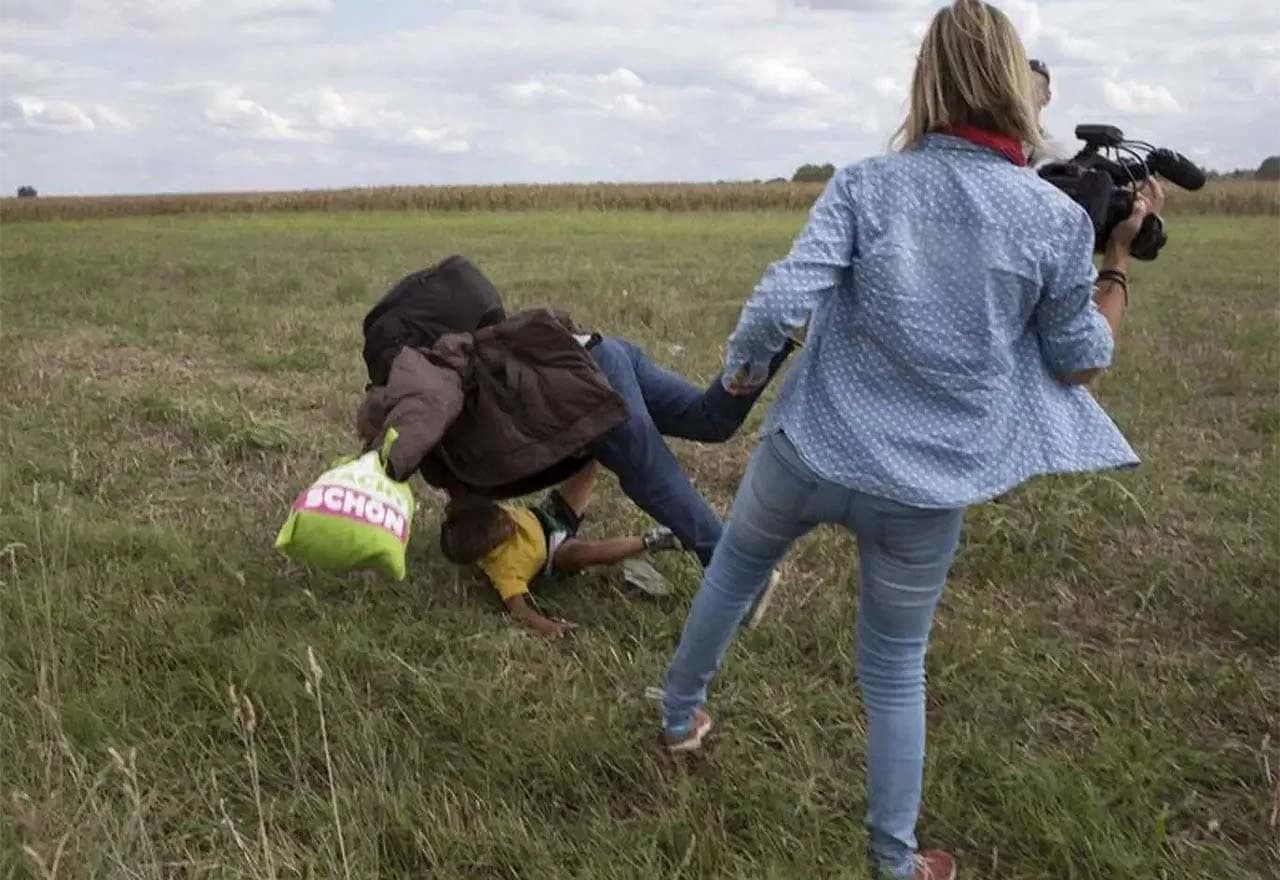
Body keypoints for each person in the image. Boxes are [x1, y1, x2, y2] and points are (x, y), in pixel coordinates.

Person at [655, 2, 1164, 878]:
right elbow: (1081, 361)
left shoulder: (864, 185)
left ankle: (677, 717)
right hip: (924, 492)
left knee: (735, 570)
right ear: (1017, 87)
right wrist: (1114, 257)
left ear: (925, 81)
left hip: (807, 450)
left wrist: (740, 381)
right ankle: (895, 862)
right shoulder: (1052, 220)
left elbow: (780, 302)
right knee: (893, 670)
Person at [357, 261, 796, 576]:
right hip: (597, 351)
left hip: (586, 381)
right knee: (708, 420)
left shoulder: (432, 372)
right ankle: (770, 342)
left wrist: (377, 467)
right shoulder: (476, 362)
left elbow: (425, 406)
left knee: (646, 471)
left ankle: (737, 573)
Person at [438, 461, 682, 638]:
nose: (507, 518)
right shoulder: (504, 570)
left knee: (586, 464)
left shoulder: (481, 515)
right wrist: (548, 627)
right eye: (502, 526)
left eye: (501, 513)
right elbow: (519, 610)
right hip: (556, 553)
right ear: (489, 546)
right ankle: (653, 540)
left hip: (549, 516)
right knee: (583, 554)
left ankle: (601, 441)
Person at [1025, 58, 1073, 167]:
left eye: (1033, 88)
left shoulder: (1053, 152)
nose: (1025, 94)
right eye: (1021, 86)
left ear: (1047, 97)